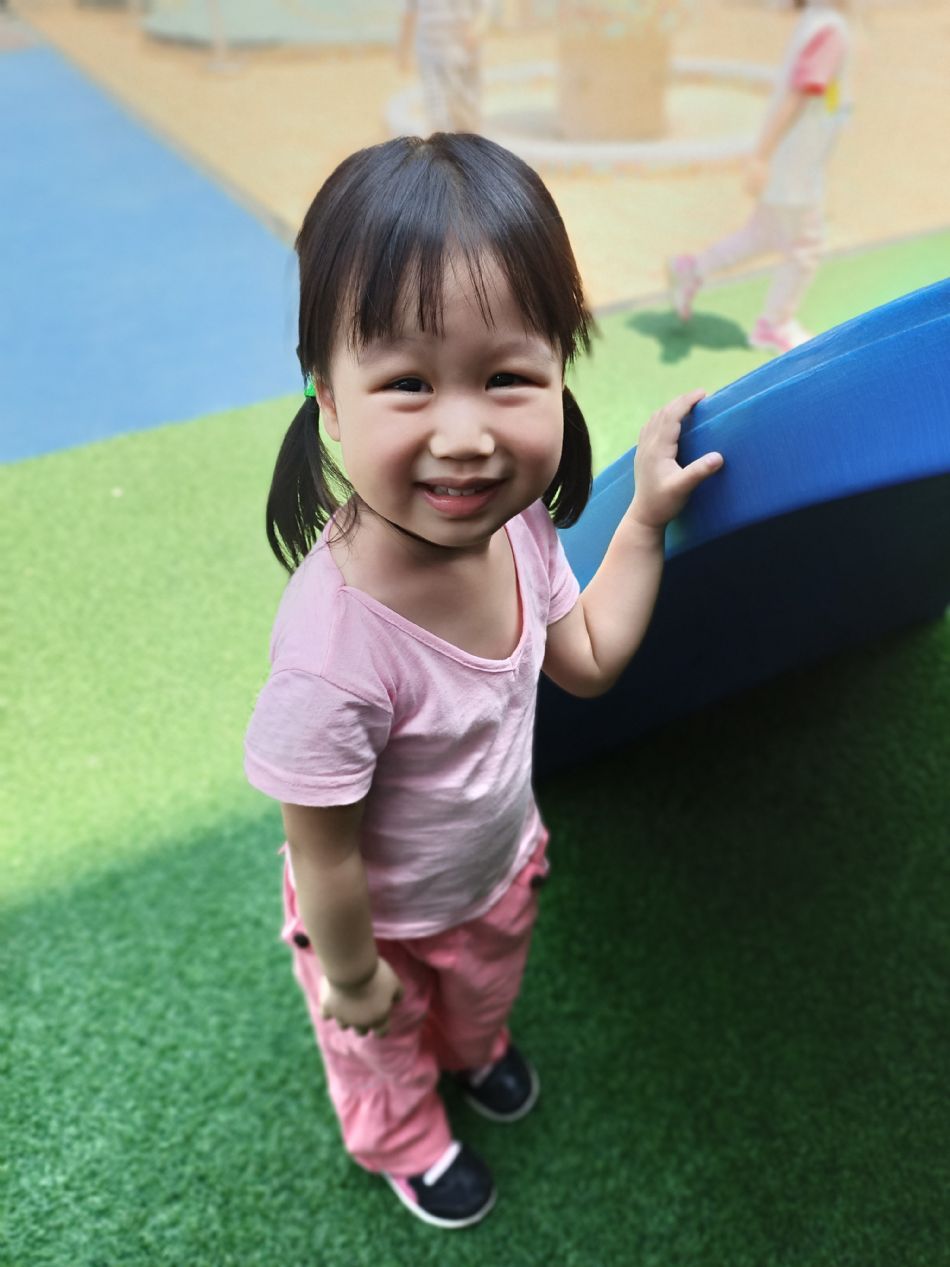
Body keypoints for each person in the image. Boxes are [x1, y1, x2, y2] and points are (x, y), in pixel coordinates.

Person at [244, 132, 723, 1230]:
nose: (464, 437)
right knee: (381, 1042)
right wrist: (352, 973)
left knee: (480, 997)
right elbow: (321, 849)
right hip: (378, 921)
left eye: (506, 377)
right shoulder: (333, 653)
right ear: (329, 399)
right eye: (408, 383)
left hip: (494, 872)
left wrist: (643, 522)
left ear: (559, 373)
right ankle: (408, 1135)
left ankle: (472, 1047)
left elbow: (587, 659)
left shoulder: (519, 532)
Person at [667, 0, 853, 353]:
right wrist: (761, 155)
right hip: (795, 163)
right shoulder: (828, 30)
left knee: (762, 234)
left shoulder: (818, 20)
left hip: (792, 159)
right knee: (806, 245)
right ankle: (774, 323)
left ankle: (692, 269)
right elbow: (800, 95)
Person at [397, 0, 491, 132]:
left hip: (465, 55)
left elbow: (483, 10)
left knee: (467, 115)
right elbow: (409, 13)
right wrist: (403, 50)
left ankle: (468, 138)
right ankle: (437, 138)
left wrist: (477, 29)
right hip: (430, 54)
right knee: (437, 114)